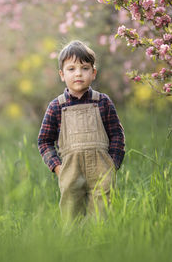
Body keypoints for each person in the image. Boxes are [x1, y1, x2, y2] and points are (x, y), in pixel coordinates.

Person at [37, 40, 125, 222]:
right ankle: (73, 249)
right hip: (70, 172)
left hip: (102, 172)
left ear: (93, 73)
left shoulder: (102, 102)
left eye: (84, 68)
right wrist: (57, 167)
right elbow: (44, 141)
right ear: (62, 74)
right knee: (71, 219)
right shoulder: (56, 106)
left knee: (103, 218)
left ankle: (102, 247)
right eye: (71, 69)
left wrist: (113, 164)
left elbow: (117, 134)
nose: (78, 73)